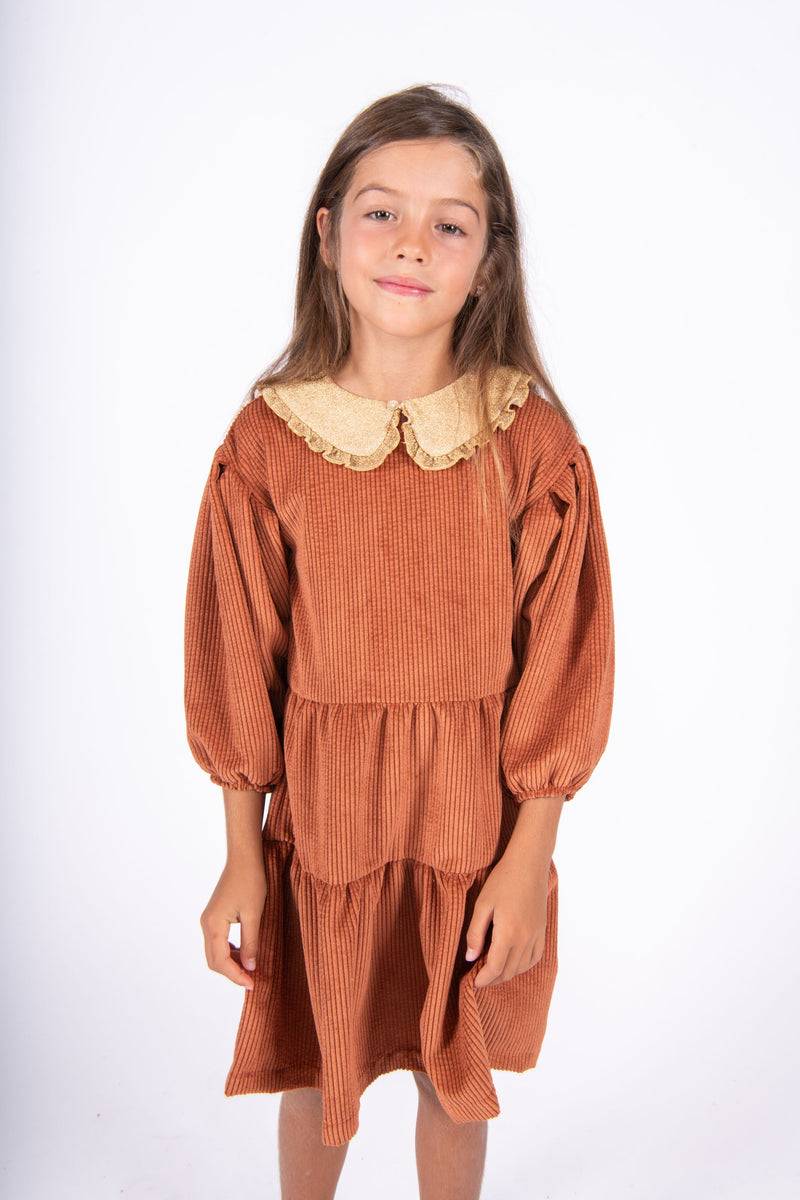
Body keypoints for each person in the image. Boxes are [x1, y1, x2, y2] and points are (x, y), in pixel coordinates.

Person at [183, 83, 615, 1199]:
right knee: (315, 1067)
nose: (412, 244)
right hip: (324, 829)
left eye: (449, 225)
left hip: (470, 830)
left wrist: (527, 860)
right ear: (327, 235)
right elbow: (237, 664)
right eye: (382, 213)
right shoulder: (268, 444)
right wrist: (242, 854)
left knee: (448, 1073)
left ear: (489, 263)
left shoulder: (528, 444)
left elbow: (563, 665)